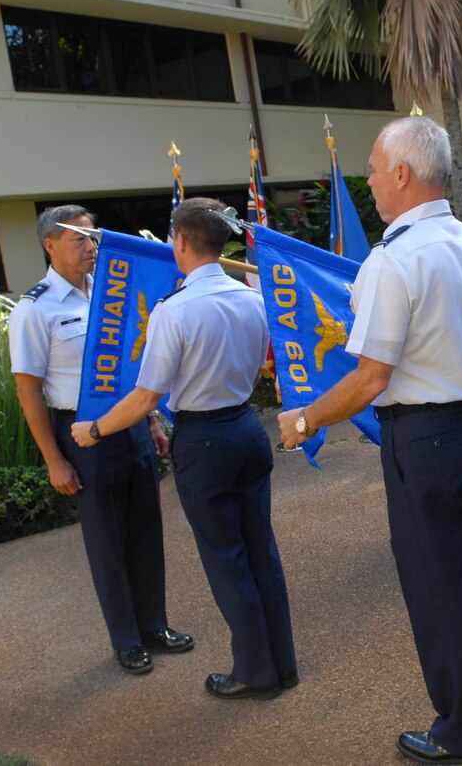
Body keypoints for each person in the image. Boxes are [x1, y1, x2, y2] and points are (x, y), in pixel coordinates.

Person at [277, 116, 462, 764]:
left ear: (401, 173)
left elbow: (370, 378)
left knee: (441, 586)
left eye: (371, 167)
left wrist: (305, 420)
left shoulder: (395, 260)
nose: (368, 180)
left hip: (426, 439)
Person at [71, 198, 296, 701]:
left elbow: (146, 396)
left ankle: (255, 672)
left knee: (227, 558)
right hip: (246, 429)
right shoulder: (252, 299)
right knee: (261, 551)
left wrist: (95, 430)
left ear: (178, 242)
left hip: (206, 439)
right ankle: (282, 664)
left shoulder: (174, 311)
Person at [8, 205, 193, 676]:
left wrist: (151, 422)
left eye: (94, 239)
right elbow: (28, 392)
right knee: (108, 540)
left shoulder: (110, 293)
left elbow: (131, 364)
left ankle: (155, 624)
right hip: (81, 436)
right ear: (50, 245)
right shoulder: (35, 308)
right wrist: (54, 460)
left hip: (129, 424)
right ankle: (127, 639)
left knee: (147, 531)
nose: (92, 248)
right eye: (81, 240)